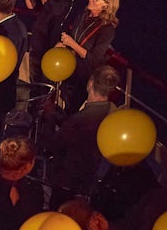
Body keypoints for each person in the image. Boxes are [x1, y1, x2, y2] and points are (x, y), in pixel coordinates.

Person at [46, 64, 119, 206]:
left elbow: (53, 145)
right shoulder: (113, 111)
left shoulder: (79, 120)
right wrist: (58, 117)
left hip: (68, 183)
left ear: (90, 83)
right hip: (92, 183)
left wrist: (49, 118)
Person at [57, 0, 119, 112]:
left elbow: (94, 59)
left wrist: (72, 44)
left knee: (70, 109)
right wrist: (63, 43)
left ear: (106, 5)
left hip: (81, 76)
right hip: (67, 67)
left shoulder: (107, 29)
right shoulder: (83, 14)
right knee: (60, 102)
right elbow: (73, 34)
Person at [20, 0, 78, 85]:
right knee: (34, 83)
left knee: (46, 85)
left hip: (52, 48)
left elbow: (55, 10)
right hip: (37, 44)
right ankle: (33, 101)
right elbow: (36, 7)